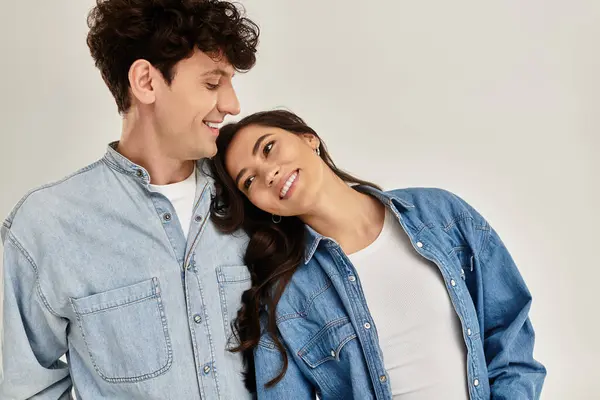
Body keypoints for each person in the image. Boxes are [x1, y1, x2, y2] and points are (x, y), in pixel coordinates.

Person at [0, 1, 259, 398]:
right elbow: (25, 388)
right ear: (146, 81)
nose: (232, 105)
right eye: (212, 83)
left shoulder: (252, 197)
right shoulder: (48, 225)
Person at [209, 110, 547, 399]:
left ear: (309, 138)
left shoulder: (440, 214)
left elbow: (510, 338)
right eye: (249, 180)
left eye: (268, 148)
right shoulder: (286, 300)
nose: (268, 174)